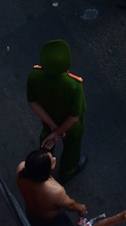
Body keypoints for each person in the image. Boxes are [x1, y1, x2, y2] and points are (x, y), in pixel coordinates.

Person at [26, 40, 88, 178]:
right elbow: (73, 117)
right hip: (70, 128)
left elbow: (32, 102)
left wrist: (53, 128)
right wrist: (59, 132)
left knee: (46, 142)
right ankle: (68, 171)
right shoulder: (73, 85)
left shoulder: (34, 75)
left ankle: (44, 167)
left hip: (48, 120)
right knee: (72, 145)